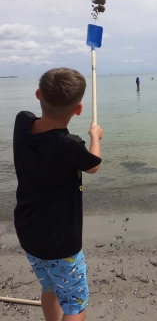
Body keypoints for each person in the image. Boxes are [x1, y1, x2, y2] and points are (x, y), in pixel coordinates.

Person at [13, 67, 103, 321]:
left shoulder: (22, 122)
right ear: (78, 109)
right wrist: (94, 136)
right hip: (61, 242)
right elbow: (94, 164)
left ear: (38, 94)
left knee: (50, 287)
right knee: (75, 306)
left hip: (28, 231)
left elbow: (34, 119)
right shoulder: (69, 145)